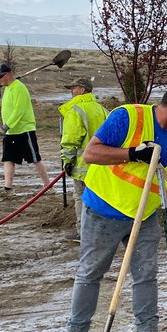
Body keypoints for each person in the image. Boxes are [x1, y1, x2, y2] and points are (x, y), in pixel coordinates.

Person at [57, 82, 167, 332]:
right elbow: (91, 154)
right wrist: (132, 153)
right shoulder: (129, 117)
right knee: (89, 275)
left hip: (146, 215)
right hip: (102, 210)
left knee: (146, 275)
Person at [58, 76, 108, 241]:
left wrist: (67, 160)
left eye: (74, 88)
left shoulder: (76, 110)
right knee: (99, 197)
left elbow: (71, 139)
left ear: (82, 90)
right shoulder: (101, 109)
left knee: (80, 197)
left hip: (81, 165)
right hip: (101, 163)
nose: (71, 92)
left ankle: (84, 232)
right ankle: (100, 231)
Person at [0, 62, 48, 193]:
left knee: (35, 159)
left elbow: (19, 110)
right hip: (11, 131)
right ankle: (8, 188)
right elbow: (5, 105)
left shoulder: (19, 88)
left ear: (7, 75)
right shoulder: (8, 89)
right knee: (8, 158)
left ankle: (48, 186)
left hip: (24, 130)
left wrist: (7, 125)